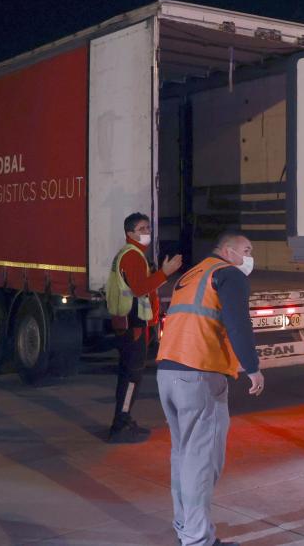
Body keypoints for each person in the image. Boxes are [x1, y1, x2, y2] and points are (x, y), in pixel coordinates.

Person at [157, 232, 265, 546]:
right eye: (247, 249)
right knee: (202, 462)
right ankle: (198, 539)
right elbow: (238, 322)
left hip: (168, 372)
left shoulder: (192, 274)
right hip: (199, 376)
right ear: (228, 251)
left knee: (183, 457)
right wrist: (253, 367)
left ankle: (186, 527)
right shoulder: (228, 274)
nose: (250, 255)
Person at [105, 212, 182, 443]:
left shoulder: (132, 254)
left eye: (148, 228)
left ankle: (124, 419)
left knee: (130, 374)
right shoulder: (133, 256)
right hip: (133, 326)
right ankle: (120, 424)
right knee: (131, 376)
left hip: (132, 325)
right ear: (130, 233)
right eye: (141, 229)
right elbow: (139, 289)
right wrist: (164, 274)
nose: (147, 232)